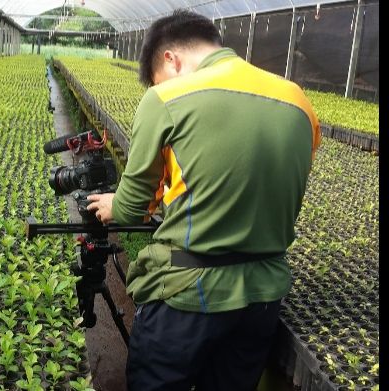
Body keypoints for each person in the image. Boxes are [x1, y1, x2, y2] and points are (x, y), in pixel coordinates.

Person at [86, 9, 320, 391]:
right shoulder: (297, 101)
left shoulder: (167, 97)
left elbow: (131, 208)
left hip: (187, 293)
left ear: (170, 59)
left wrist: (116, 203)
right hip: (263, 296)